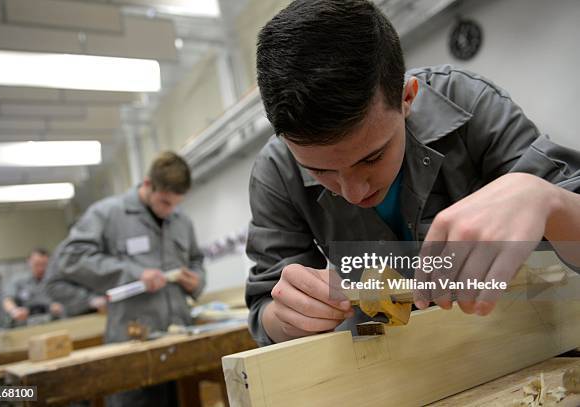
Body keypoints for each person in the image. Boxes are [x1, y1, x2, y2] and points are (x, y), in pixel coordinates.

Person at [245, 0, 580, 347]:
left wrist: (550, 202)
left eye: (372, 157)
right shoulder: (276, 174)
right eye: (319, 170)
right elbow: (264, 309)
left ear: (407, 98)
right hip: (386, 368)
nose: (354, 191)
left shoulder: (469, 104)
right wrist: (286, 317)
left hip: (514, 343)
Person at [46, 151, 205, 407]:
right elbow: (71, 257)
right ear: (146, 185)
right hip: (131, 344)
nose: (170, 211)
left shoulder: (181, 220)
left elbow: (197, 260)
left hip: (178, 343)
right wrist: (133, 274)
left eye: (177, 204)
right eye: (165, 202)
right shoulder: (107, 214)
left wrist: (197, 281)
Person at [2, 248, 64, 327]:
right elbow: (7, 300)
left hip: (52, 324)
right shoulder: (17, 281)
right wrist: (14, 311)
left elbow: (65, 300)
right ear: (29, 261)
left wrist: (60, 307)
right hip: (25, 326)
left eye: (44, 264)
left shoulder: (56, 280)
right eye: (37, 264)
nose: (41, 268)